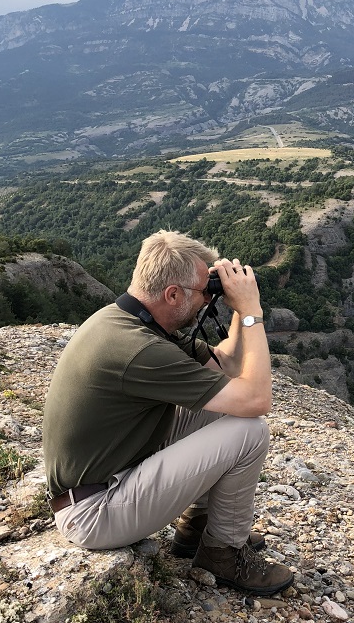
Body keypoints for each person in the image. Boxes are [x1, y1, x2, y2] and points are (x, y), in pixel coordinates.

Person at [42, 229, 294, 597]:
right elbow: (256, 399)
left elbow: (225, 366)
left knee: (224, 414)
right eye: (203, 292)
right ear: (172, 294)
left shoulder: (133, 320)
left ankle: (197, 528)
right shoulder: (138, 349)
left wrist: (239, 310)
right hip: (95, 513)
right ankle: (223, 555)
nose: (206, 298)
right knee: (250, 429)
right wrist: (253, 312)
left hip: (112, 472)